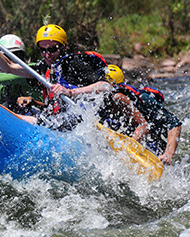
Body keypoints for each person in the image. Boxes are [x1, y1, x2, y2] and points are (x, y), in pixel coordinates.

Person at [52, 65, 182, 165]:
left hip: (156, 142)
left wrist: (168, 154)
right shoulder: (99, 103)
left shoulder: (120, 97)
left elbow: (174, 124)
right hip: (137, 141)